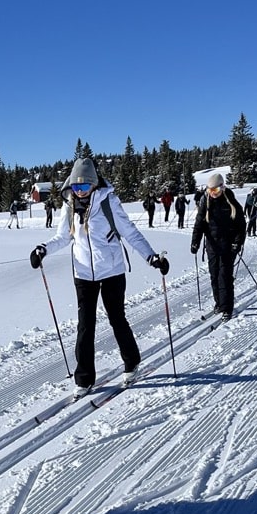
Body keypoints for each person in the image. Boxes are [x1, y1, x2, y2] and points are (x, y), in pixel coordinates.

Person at [29, 156, 168, 395]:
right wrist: (43, 249)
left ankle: (132, 361)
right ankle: (84, 379)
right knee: (85, 326)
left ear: (94, 184)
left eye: (84, 186)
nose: (79, 191)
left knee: (116, 318)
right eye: (75, 186)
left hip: (112, 270)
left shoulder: (108, 202)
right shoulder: (69, 205)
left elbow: (131, 233)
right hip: (83, 272)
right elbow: (63, 236)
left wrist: (151, 257)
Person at [189, 173, 245, 320]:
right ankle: (219, 303)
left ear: (222, 187)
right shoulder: (205, 202)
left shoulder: (231, 202)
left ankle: (227, 307)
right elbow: (199, 224)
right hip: (212, 245)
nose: (212, 193)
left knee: (224, 276)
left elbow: (241, 225)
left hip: (228, 245)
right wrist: (195, 242)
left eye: (215, 190)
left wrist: (237, 242)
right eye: (209, 190)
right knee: (214, 275)